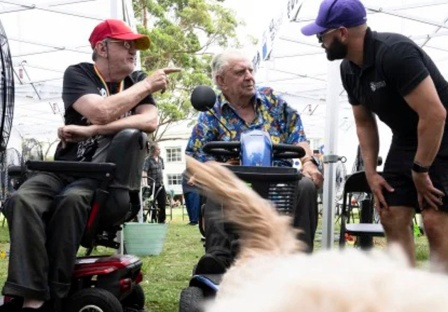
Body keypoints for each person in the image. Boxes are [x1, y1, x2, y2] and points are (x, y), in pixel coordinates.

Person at [0, 18, 180, 312]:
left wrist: (91, 131)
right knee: (21, 199)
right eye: (126, 44)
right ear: (102, 47)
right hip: (64, 168)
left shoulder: (135, 79)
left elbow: (149, 121)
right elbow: (98, 110)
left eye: (134, 46)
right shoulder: (80, 73)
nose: (133, 53)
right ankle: (28, 296)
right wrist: (146, 89)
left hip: (102, 178)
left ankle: (42, 302)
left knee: (71, 202)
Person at [301, 0, 448, 271]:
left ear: (342, 33)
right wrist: (370, 172)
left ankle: (440, 300)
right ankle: (404, 294)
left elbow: (436, 115)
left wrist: (420, 169)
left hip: (441, 133)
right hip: (406, 137)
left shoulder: (395, 53)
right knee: (390, 211)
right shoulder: (348, 69)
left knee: (434, 220)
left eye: (322, 35)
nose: (320, 41)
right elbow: (364, 123)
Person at [186, 49, 323, 274]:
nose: (249, 76)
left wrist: (308, 162)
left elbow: (298, 136)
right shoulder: (211, 114)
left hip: (279, 187)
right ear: (221, 80)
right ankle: (218, 258)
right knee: (214, 182)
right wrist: (215, 168)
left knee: (306, 186)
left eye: (250, 70)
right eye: (240, 72)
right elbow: (196, 158)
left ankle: (300, 259)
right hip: (235, 190)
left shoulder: (273, 102)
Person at [144, 143, 166, 223]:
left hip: (160, 184)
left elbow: (161, 170)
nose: (159, 150)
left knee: (162, 202)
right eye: (158, 149)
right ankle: (153, 218)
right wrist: (146, 183)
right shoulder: (148, 160)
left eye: (159, 149)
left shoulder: (161, 159)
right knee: (152, 203)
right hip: (151, 185)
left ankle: (162, 219)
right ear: (153, 150)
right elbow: (145, 171)